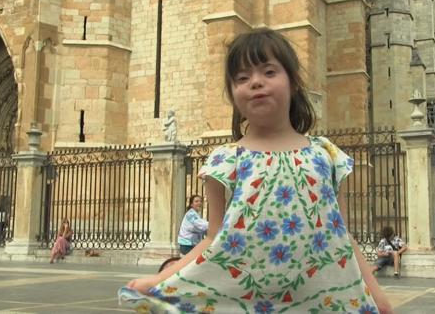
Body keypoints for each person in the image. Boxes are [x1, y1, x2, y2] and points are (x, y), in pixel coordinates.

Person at [119, 27, 392, 313]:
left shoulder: (326, 154)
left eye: (269, 72)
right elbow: (212, 238)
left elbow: (343, 237)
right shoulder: (225, 160)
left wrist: (378, 297)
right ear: (232, 93)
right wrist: (159, 279)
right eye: (242, 77)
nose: (255, 82)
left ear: (294, 82)